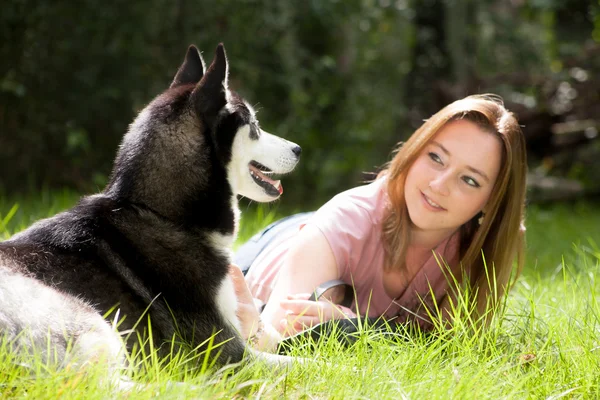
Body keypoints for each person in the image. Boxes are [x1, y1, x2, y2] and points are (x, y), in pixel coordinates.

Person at [229, 94, 528, 352]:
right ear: (415, 150)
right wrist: (353, 331)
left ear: (492, 200)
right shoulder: (344, 221)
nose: (439, 185)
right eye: (436, 157)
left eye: (470, 180)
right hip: (273, 250)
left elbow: (454, 351)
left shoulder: (482, 249)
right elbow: (276, 342)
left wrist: (353, 327)